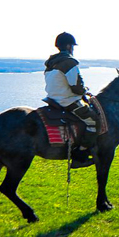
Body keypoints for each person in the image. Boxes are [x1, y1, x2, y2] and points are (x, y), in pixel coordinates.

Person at [43, 32, 98, 166]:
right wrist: (85, 90)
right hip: (67, 101)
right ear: (68, 46)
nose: (73, 49)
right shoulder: (69, 62)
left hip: (52, 99)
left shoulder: (51, 63)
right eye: (72, 46)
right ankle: (80, 155)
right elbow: (76, 87)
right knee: (94, 121)